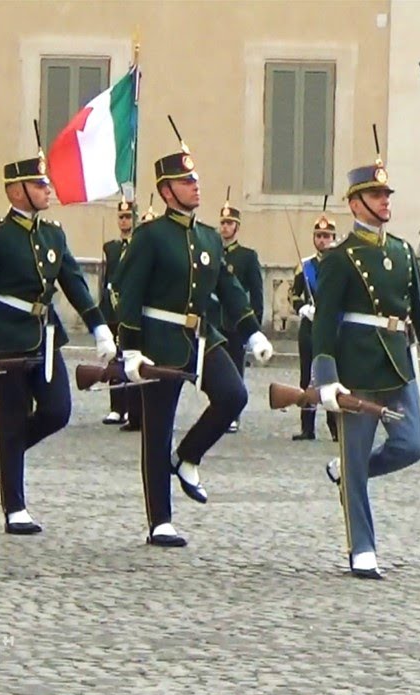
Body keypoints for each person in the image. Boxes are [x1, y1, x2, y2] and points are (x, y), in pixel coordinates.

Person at [112, 139, 274, 548]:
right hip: (158, 340)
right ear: (167, 191)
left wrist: (253, 331)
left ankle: (187, 457)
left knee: (233, 395)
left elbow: (230, 287)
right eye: (186, 181)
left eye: (196, 178)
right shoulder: (150, 236)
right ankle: (160, 520)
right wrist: (130, 348)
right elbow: (127, 293)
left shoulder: (208, 238)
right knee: (156, 430)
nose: (196, 186)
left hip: (202, 336)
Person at [0, 149, 117, 534]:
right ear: (15, 192)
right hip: (5, 339)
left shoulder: (53, 233)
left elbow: (73, 283)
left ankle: (4, 446)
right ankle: (14, 507)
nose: (47, 190)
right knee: (11, 419)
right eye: (38, 184)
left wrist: (98, 326)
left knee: (57, 411)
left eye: (46, 183)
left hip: (44, 337)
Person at [312, 156, 420, 579]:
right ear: (355, 205)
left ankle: (347, 472)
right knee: (355, 455)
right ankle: (362, 548)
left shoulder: (403, 252)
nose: (384, 201)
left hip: (397, 358)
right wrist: (326, 378)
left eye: (386, 194)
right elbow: (323, 321)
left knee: (411, 445)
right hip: (356, 363)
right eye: (375, 195)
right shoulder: (339, 258)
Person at [212, 199, 264, 433]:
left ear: (237, 227)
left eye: (229, 223)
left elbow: (256, 292)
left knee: (235, 369)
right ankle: (217, 411)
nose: (225, 227)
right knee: (214, 370)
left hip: (236, 323)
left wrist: (254, 328)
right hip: (214, 321)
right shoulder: (212, 254)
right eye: (222, 222)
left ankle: (233, 414)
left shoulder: (247, 256)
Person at [290, 213, 339, 441]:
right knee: (307, 376)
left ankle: (336, 426)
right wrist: (302, 308)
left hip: (333, 329)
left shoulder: (340, 263)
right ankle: (307, 426)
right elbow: (293, 294)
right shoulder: (305, 266)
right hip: (309, 328)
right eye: (319, 236)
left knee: (333, 377)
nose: (322, 240)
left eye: (327, 236)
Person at [99, 199, 137, 427]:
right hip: (112, 310)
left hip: (130, 309)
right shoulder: (111, 248)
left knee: (130, 356)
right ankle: (116, 406)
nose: (124, 221)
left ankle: (131, 407)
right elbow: (106, 280)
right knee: (114, 357)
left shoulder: (138, 246)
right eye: (121, 217)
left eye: (128, 217)